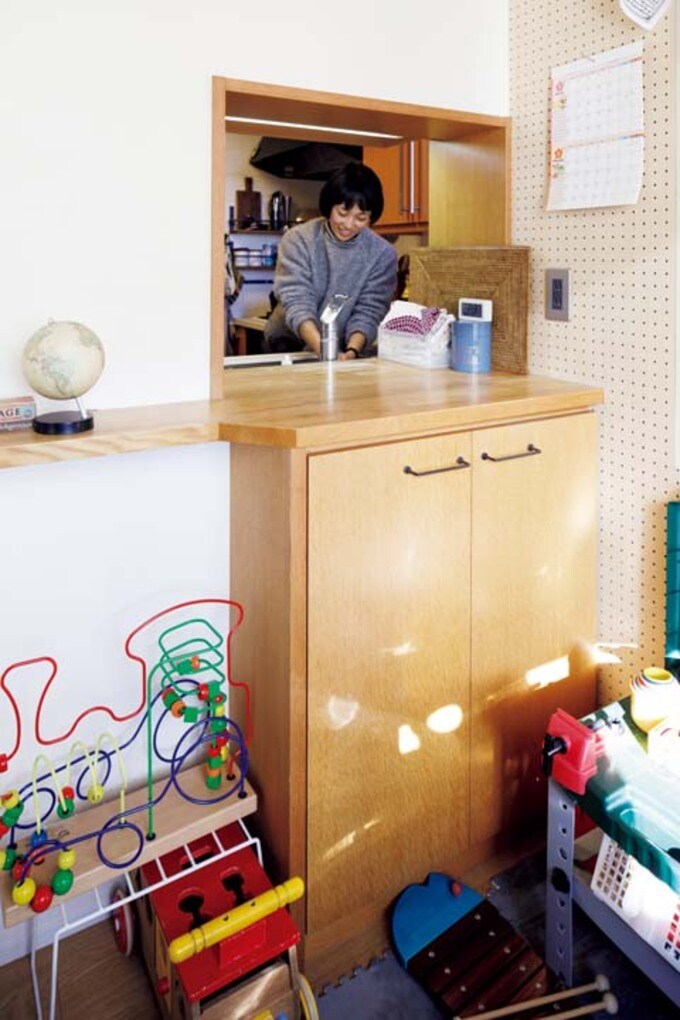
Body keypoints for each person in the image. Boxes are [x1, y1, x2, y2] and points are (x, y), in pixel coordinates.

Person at [263, 161, 397, 359]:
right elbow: (297, 301)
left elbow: (370, 310)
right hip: (287, 344)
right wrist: (325, 351)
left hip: (344, 349)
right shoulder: (298, 240)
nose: (348, 224)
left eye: (360, 218)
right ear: (329, 205)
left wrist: (351, 351)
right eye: (342, 213)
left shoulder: (382, 254)